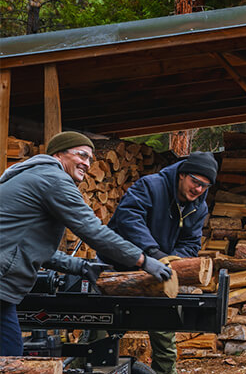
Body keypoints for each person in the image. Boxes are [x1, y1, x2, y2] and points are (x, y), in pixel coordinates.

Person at [0, 132, 173, 355]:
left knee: (9, 356)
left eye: (90, 159)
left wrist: (81, 267)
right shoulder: (53, 178)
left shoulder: (37, 175)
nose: (87, 164)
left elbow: (30, 249)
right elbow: (92, 230)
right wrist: (142, 260)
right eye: (81, 155)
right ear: (59, 154)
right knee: (10, 360)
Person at [102, 151, 218, 374]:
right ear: (181, 175)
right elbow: (128, 219)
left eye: (204, 186)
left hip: (161, 273)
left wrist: (174, 261)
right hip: (120, 266)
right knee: (104, 329)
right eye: (194, 182)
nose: (198, 189)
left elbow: (191, 242)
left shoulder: (198, 206)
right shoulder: (150, 186)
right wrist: (152, 253)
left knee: (165, 332)